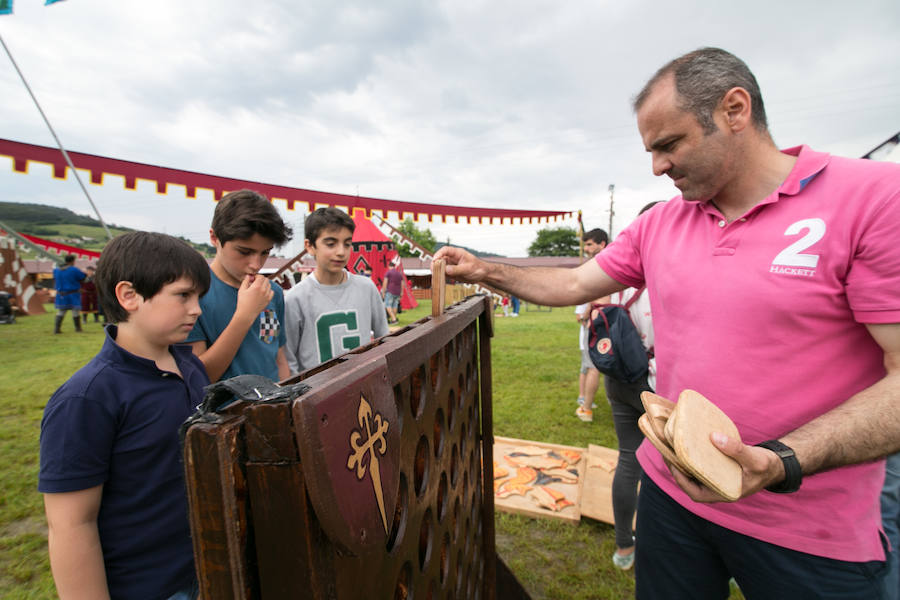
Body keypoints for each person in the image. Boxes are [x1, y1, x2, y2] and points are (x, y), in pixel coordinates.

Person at [435, 47, 900, 598]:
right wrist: (484, 268)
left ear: (734, 110)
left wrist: (778, 463)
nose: (657, 167)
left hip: (810, 529)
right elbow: (573, 285)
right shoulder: (660, 223)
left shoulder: (871, 198)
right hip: (672, 498)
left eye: (669, 145)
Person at [39, 231, 211, 599]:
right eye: (183, 295)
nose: (197, 309)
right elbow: (71, 524)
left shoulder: (193, 369)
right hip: (146, 587)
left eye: (198, 297)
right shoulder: (86, 399)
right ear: (129, 295)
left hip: (208, 571)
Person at [601, 203, 661, 571]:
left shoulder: (619, 276)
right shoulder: (672, 273)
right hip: (659, 381)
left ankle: (624, 546)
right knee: (681, 465)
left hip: (619, 378)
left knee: (629, 459)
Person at [187, 189, 293, 383]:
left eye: (265, 253)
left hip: (272, 405)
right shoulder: (194, 294)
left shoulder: (271, 292)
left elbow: (278, 359)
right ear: (215, 238)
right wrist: (245, 315)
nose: (256, 264)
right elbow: (199, 378)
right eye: (244, 251)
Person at [284, 207, 389, 373]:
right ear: (310, 246)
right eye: (331, 244)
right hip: (315, 394)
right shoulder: (295, 298)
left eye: (347, 244)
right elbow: (289, 360)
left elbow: (384, 340)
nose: (341, 252)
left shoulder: (367, 288)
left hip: (362, 388)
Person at [574, 228, 608, 422]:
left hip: (595, 323)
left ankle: (586, 408)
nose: (586, 249)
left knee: (593, 366)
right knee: (588, 366)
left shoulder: (602, 265)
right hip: (597, 322)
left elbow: (598, 297)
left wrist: (586, 315)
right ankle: (585, 400)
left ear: (601, 244)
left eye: (589, 244)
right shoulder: (601, 263)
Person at [52, 254, 86, 334]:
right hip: (72, 293)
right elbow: (83, 277)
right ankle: (78, 328)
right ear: (72, 261)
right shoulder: (74, 270)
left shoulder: (56, 270)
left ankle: (57, 329)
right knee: (75, 311)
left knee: (61, 311)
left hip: (61, 294)